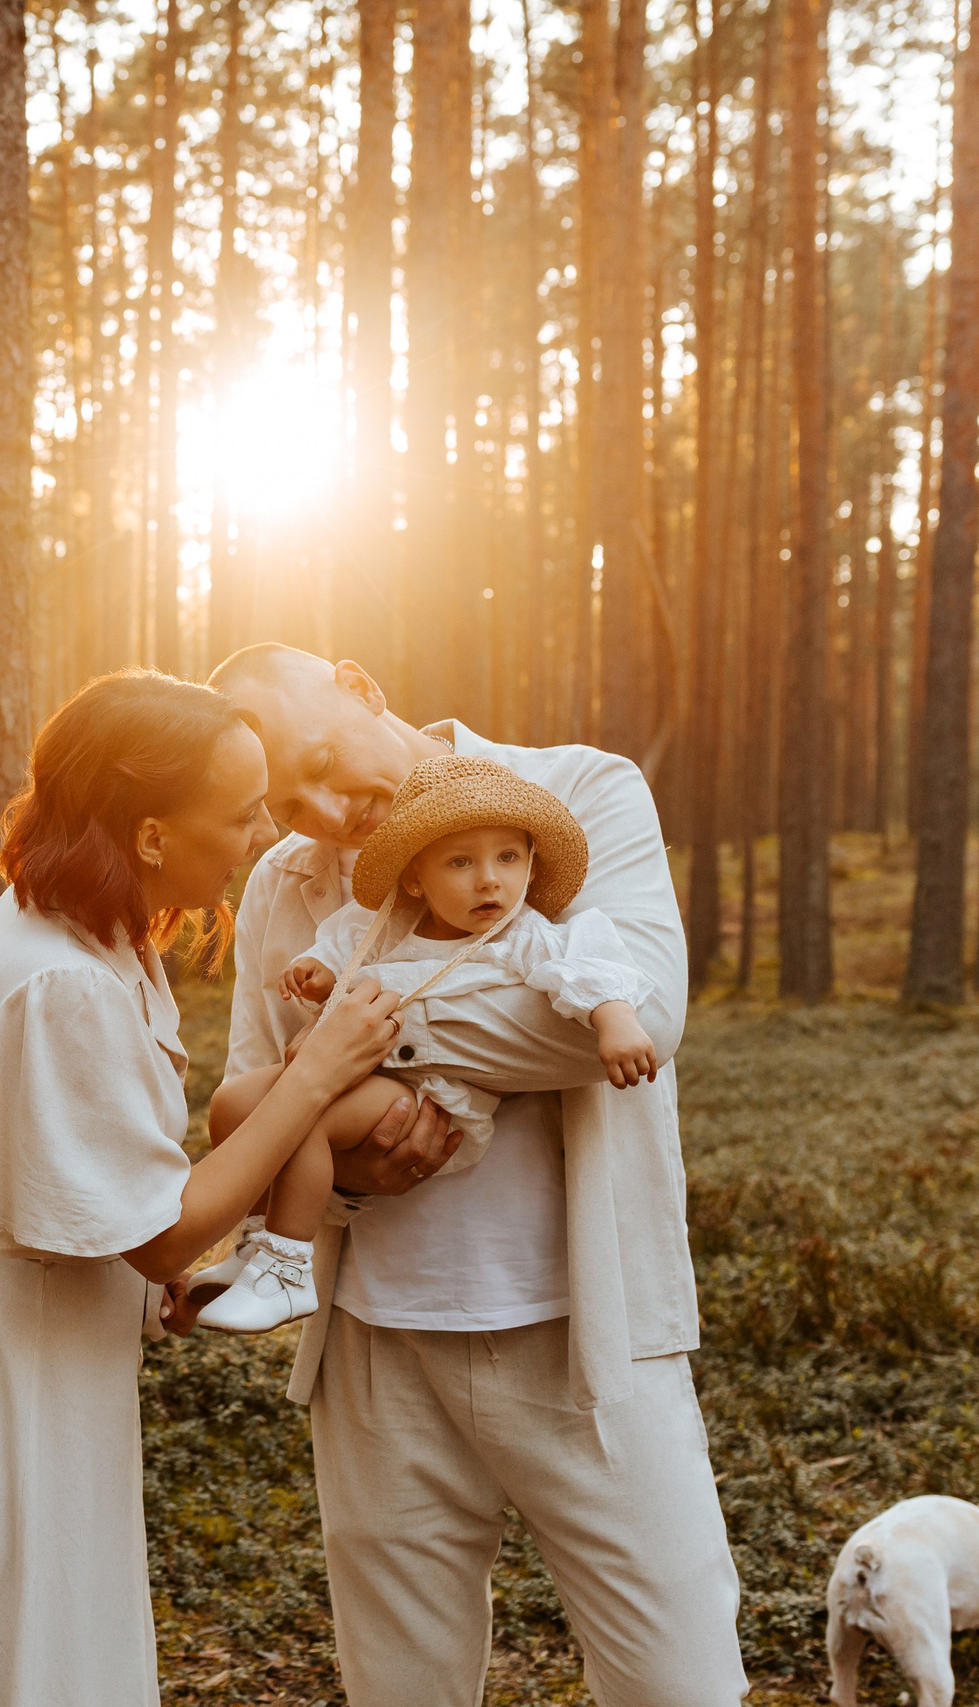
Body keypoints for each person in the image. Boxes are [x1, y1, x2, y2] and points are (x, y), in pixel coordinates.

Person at [0, 669, 410, 1707]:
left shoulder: (86, 924)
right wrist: (315, 1074)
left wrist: (146, 1277)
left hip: (37, 1362)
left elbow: (88, 1183)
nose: (258, 838)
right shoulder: (61, 979)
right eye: (240, 814)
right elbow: (161, 1232)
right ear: (149, 833)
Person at [207, 643, 746, 1707]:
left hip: (588, 1341)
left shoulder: (580, 792)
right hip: (373, 1348)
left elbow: (632, 1020)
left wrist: (353, 1041)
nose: (328, 811)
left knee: (680, 1683)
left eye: (324, 760)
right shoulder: (285, 883)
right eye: (290, 802)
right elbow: (253, 1099)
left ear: (361, 686)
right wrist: (345, 1169)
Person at [191, 753, 659, 1336]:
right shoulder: (389, 924)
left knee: (306, 1113)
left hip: (430, 1098)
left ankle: (288, 1268)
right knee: (233, 1102)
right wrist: (319, 973)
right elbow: (344, 952)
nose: (489, 879)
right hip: (356, 1074)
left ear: (531, 864)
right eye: (460, 861)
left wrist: (614, 1018)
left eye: (508, 857)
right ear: (416, 878)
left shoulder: (520, 935)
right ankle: (258, 1241)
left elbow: (585, 967)